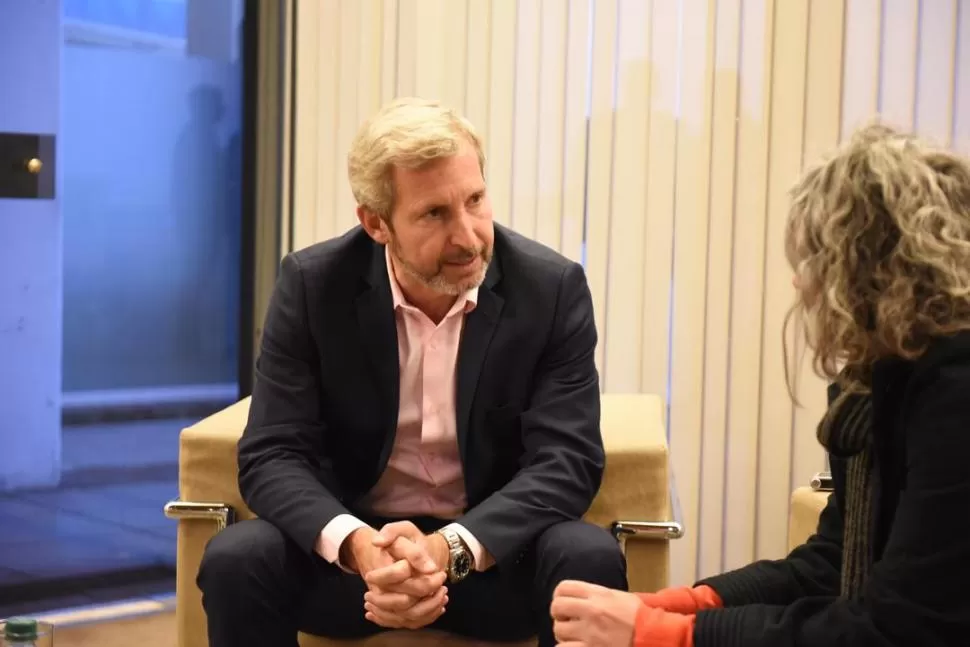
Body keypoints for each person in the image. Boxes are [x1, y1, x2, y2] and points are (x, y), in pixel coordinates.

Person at [197, 97, 627, 647]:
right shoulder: (312, 286)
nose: (469, 237)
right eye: (435, 214)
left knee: (588, 556)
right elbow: (271, 454)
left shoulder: (550, 289)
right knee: (236, 557)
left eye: (475, 200)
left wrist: (448, 549)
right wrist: (360, 547)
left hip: (492, 558)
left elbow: (568, 460)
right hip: (359, 564)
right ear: (376, 223)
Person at [550, 122, 970, 646]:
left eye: (815, 258)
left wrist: (662, 633)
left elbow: (892, 629)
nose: (799, 280)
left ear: (870, 269)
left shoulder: (955, 400)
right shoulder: (879, 383)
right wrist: (675, 605)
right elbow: (829, 565)